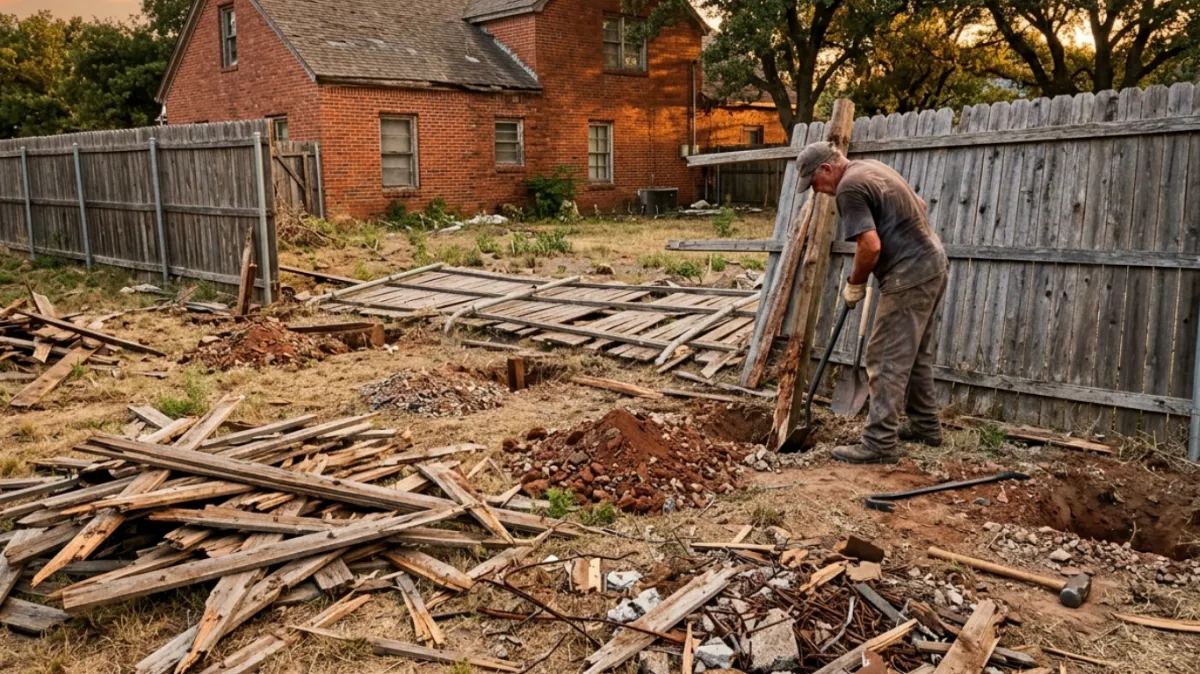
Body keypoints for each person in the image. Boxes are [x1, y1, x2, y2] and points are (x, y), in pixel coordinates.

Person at [793, 141, 950, 464]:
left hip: (909, 274)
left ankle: (879, 443)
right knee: (917, 353)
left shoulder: (849, 188)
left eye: (814, 183)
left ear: (826, 169)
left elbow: (871, 246)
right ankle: (925, 426)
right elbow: (919, 204)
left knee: (884, 357)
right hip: (933, 263)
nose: (818, 191)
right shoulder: (873, 168)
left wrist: (856, 282)